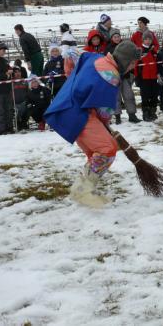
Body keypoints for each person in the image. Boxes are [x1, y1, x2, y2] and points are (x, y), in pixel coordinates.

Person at [44, 41, 141, 207]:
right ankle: (83, 192)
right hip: (78, 113)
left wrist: (70, 73)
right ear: (125, 60)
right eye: (132, 63)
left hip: (68, 107)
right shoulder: (111, 75)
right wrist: (106, 126)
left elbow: (72, 59)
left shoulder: (96, 57)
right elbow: (105, 110)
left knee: (95, 152)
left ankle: (83, 189)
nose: (133, 67)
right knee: (107, 149)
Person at [105, 29, 141, 124]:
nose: (117, 38)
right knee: (116, 97)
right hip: (114, 76)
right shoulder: (108, 49)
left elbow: (133, 58)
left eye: (118, 36)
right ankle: (117, 117)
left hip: (126, 75)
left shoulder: (127, 46)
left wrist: (131, 72)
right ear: (111, 38)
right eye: (115, 37)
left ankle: (132, 115)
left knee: (129, 95)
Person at [131, 17, 160, 121]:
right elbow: (135, 62)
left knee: (154, 94)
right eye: (138, 23)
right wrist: (136, 75)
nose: (139, 24)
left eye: (141, 23)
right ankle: (146, 113)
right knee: (145, 95)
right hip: (143, 75)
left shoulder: (153, 45)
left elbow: (157, 49)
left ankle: (152, 111)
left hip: (153, 75)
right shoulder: (135, 35)